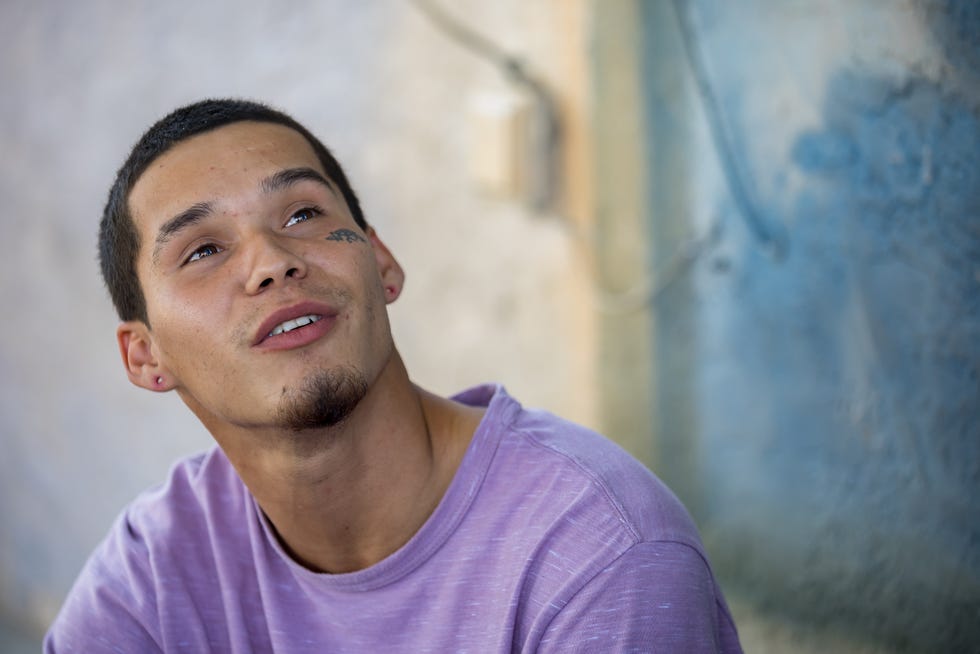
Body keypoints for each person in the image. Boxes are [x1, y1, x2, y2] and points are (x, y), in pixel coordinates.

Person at [45, 99, 742, 653]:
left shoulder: (597, 551)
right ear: (144, 356)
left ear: (380, 264)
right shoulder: (158, 571)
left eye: (303, 213)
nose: (272, 262)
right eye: (202, 250)